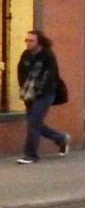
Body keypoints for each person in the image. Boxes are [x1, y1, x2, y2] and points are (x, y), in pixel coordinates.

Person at [16, 29, 70, 164]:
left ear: (39, 42)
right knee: (34, 123)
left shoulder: (48, 55)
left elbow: (51, 76)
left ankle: (31, 155)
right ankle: (61, 138)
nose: (28, 43)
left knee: (34, 122)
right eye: (27, 40)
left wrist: (38, 90)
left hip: (45, 93)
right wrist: (24, 88)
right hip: (29, 93)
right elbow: (20, 72)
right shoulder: (26, 55)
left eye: (31, 40)